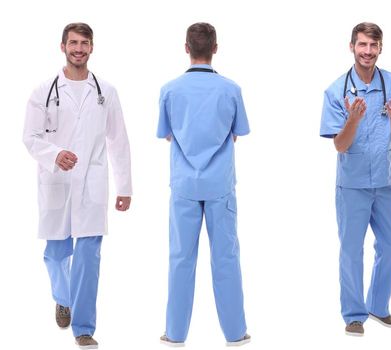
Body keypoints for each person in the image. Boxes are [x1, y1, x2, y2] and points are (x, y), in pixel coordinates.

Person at [23, 22, 132, 350]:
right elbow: (29, 137)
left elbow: (119, 140)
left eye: (84, 43)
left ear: (92, 47)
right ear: (63, 47)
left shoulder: (106, 92)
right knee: (56, 255)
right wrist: (55, 155)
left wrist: (124, 186)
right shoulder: (43, 90)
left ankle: (83, 329)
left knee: (88, 258)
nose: (79, 48)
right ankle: (63, 297)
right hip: (56, 181)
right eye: (73, 42)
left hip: (93, 184)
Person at [156, 22, 250, 347]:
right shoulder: (231, 89)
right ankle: (236, 333)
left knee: (181, 257)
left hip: (184, 185)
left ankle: (175, 333)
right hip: (219, 185)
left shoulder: (169, 90)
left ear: (186, 48)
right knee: (225, 257)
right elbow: (237, 133)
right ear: (215, 48)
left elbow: (167, 134)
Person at [319, 22, 391, 337]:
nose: (367, 51)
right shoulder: (336, 91)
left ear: (380, 48)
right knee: (352, 248)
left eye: (373, 45)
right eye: (362, 45)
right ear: (352, 47)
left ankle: (378, 306)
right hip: (353, 184)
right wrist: (353, 119)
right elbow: (340, 145)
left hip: (385, 181)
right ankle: (355, 314)